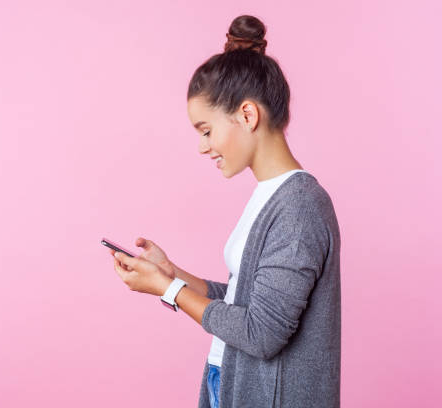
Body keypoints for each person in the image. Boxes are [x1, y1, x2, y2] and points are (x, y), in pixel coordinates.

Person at [111, 14, 341, 408]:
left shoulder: (300, 207)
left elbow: (261, 334)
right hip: (231, 382)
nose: (203, 147)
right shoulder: (270, 196)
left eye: (206, 130)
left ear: (248, 115)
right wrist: (171, 274)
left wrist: (168, 290)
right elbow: (245, 303)